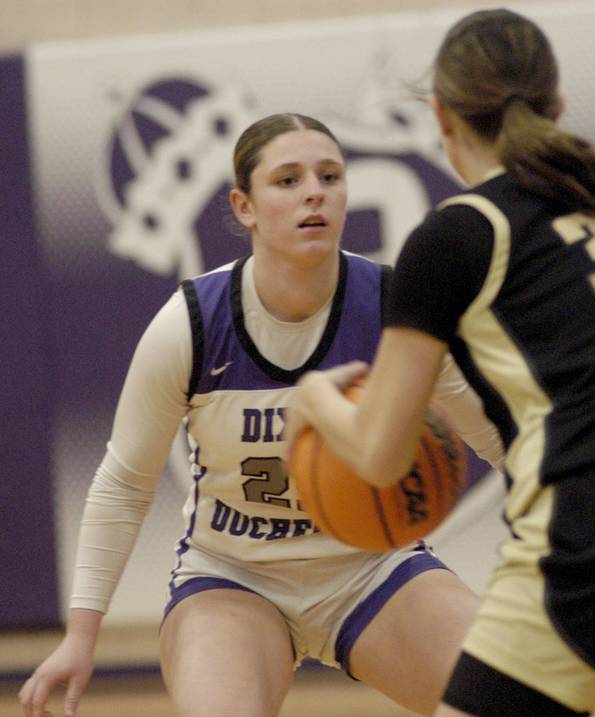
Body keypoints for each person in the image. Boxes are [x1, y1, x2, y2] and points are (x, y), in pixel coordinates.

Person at [286, 8, 595, 717]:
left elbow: (378, 453)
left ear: (442, 115)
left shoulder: (459, 233)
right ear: (556, 106)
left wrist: (312, 400)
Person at [18, 112, 505, 717]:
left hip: (371, 570)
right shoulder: (191, 323)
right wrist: (81, 636)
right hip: (233, 575)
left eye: (330, 176)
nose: (314, 192)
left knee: (510, 697)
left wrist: (585, 533)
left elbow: (498, 437)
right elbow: (123, 485)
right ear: (244, 207)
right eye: (288, 180)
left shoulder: (393, 305)